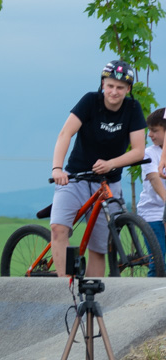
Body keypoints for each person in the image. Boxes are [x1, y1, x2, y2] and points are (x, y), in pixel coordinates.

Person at [50, 59, 146, 277]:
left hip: (108, 183)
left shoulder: (133, 108)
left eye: (120, 87)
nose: (114, 91)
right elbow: (65, 134)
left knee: (99, 248)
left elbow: (138, 150)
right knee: (58, 229)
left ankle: (92, 305)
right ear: (103, 84)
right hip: (75, 177)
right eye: (110, 85)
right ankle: (66, 289)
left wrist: (111, 163)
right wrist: (57, 169)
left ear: (128, 89)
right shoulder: (90, 101)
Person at [138, 108, 166, 276]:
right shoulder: (149, 153)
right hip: (152, 214)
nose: (150, 134)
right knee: (158, 263)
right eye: (149, 130)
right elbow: (154, 178)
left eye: (154, 130)